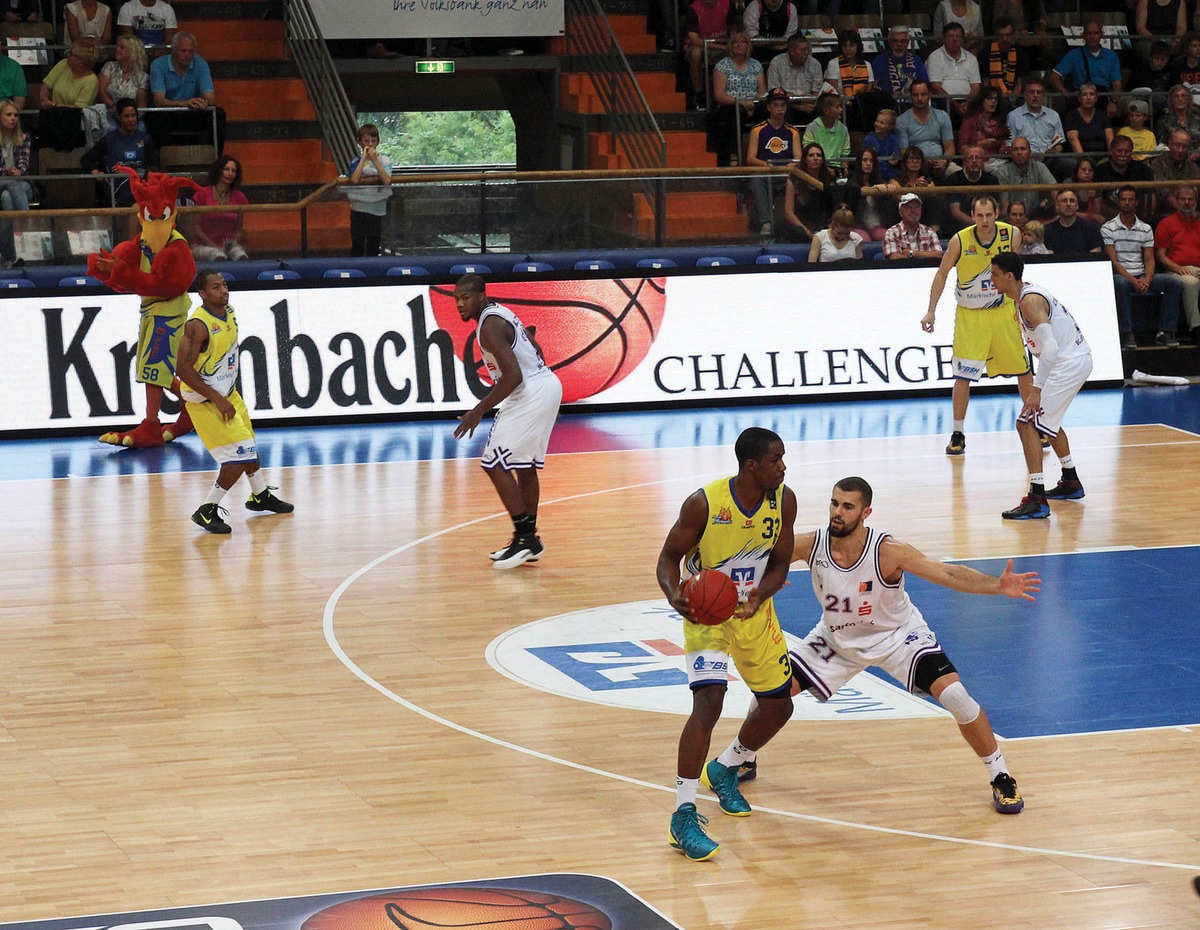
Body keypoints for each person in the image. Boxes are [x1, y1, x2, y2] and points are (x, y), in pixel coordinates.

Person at [786, 476, 1036, 810]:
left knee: (956, 697)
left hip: (898, 636)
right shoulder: (810, 544)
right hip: (837, 639)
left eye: (848, 507)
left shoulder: (888, 551)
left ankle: (1001, 777)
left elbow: (947, 574)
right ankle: (740, 758)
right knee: (772, 690)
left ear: (866, 512)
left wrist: (996, 585)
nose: (838, 512)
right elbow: (762, 558)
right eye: (834, 504)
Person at [657, 427, 797, 861]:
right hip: (707, 616)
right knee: (709, 704)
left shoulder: (784, 500)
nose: (783, 466)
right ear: (750, 465)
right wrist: (675, 596)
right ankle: (683, 814)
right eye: (776, 459)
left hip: (754, 613)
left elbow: (779, 561)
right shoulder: (704, 503)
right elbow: (667, 559)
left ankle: (725, 767)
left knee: (779, 705)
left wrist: (762, 594)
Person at [452, 273, 563, 569]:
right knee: (524, 466)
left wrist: (479, 410)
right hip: (543, 385)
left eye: (466, 298)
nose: (460, 304)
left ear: (481, 297)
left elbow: (513, 377)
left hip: (531, 391)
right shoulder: (499, 312)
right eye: (457, 299)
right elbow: (535, 346)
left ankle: (525, 537)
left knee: (494, 463)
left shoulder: (489, 327)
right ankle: (528, 539)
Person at [177, 270, 294, 535]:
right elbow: (182, 370)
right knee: (238, 457)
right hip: (206, 401)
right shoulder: (198, 325)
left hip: (228, 393)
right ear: (203, 294)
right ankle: (207, 509)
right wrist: (217, 398)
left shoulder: (228, 311)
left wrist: (225, 392)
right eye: (216, 287)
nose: (224, 290)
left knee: (249, 446)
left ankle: (260, 495)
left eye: (225, 285)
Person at [923, 193, 1031, 456]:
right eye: (979, 215)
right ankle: (958, 433)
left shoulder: (1012, 235)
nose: (984, 220)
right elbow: (942, 274)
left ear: (997, 214)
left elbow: (1016, 276)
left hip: (1004, 312)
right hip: (971, 316)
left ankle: (1034, 425)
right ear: (972, 216)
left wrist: (1023, 308)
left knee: (1023, 371)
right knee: (963, 378)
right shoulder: (961, 240)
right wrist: (931, 311)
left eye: (989, 215)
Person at [990, 252, 1093, 520]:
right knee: (1049, 421)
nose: (991, 279)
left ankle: (1037, 498)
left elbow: (1051, 348)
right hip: (1072, 362)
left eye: (994, 274)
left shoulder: (1030, 301)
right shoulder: (1022, 297)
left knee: (1026, 423)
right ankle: (1070, 481)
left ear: (1009, 276)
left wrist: (1036, 389)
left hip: (1067, 364)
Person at [1103, 185, 1184, 348]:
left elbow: (1149, 260)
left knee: (1174, 283)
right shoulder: (1107, 228)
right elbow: (1114, 262)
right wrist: (1134, 281)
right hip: (1122, 275)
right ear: (1118, 202)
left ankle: (1166, 332)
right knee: (1120, 283)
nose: (1127, 203)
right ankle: (1128, 333)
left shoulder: (1146, 228)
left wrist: (1147, 279)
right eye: (1123, 200)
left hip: (1141, 274)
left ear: (1136, 202)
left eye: (1130, 199)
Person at [148, 32, 227, 154]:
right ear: (174, 50)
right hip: (169, 112)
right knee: (155, 115)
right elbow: (159, 100)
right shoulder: (158, 65)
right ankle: (160, 161)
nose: (187, 55)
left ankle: (215, 159)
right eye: (183, 51)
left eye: (191, 52)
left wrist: (203, 102)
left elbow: (210, 98)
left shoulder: (201, 64)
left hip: (193, 112)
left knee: (218, 114)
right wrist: (183, 103)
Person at [745, 86, 800, 235]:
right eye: (776, 105)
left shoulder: (793, 131)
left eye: (782, 105)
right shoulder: (757, 130)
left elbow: (798, 157)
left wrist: (789, 167)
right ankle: (766, 223)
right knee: (756, 179)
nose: (780, 109)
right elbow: (750, 158)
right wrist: (767, 165)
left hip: (786, 172)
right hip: (766, 172)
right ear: (769, 107)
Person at [81, 97, 155, 206]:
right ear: (119, 117)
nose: (131, 119)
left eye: (133, 116)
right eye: (126, 116)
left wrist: (136, 175)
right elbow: (86, 159)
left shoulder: (145, 139)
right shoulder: (109, 139)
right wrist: (95, 171)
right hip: (117, 185)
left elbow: (153, 166)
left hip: (140, 182)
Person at [710, 29, 765, 166]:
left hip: (753, 104)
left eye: (743, 42)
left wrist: (753, 104)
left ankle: (768, 152)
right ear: (730, 46)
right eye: (736, 42)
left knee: (773, 109)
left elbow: (763, 92)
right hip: (729, 105)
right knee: (738, 111)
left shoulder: (756, 65)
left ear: (749, 46)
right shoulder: (723, 65)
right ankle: (734, 153)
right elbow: (719, 95)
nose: (739, 45)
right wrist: (742, 103)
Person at [1154, 186, 1200, 341]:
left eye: (1190, 199)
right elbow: (1161, 256)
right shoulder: (1166, 224)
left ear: (1196, 201)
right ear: (1177, 200)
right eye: (1183, 199)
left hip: (1198, 268)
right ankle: (1196, 328)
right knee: (1191, 282)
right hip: (1175, 270)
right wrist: (1178, 268)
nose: (1186, 202)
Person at [1049, 19, 1125, 108]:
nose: (1092, 36)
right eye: (1089, 33)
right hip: (1081, 101)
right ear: (1083, 36)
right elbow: (1054, 77)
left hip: (1103, 101)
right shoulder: (1074, 55)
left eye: (1096, 33)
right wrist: (1067, 94)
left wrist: (1113, 101)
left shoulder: (1111, 56)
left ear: (1101, 35)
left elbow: (1117, 84)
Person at [345, 123, 392, 257]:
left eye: (373, 141)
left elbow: (387, 180)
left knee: (373, 244)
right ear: (359, 142)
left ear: (378, 142)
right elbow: (354, 179)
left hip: (376, 209)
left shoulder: (384, 160)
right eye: (366, 141)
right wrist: (364, 158)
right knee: (358, 244)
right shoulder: (355, 161)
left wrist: (375, 161)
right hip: (358, 209)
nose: (370, 144)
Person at [190, 155, 248, 262]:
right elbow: (196, 228)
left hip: (229, 246)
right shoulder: (202, 193)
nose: (230, 173)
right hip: (203, 245)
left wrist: (228, 246)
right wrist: (215, 247)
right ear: (218, 171)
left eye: (233, 171)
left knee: (241, 255)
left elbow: (239, 229)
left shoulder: (240, 197)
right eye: (226, 169)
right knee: (218, 256)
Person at [927, 23, 982, 124]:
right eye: (950, 36)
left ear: (962, 39)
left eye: (958, 36)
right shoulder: (935, 57)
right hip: (944, 100)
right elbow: (935, 85)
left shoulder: (971, 58)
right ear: (944, 38)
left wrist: (968, 103)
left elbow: (976, 86)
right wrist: (954, 104)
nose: (954, 40)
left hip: (968, 101)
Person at [682, 0, 732, 110]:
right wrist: (722, 47)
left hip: (724, 45)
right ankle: (699, 95)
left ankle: (732, 94)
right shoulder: (693, 9)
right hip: (702, 47)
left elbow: (734, 29)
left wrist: (731, 43)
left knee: (738, 50)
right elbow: (694, 40)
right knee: (696, 53)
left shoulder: (727, 4)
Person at [0, 99, 31, 268]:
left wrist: (17, 171)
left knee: (7, 197)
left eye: (15, 115)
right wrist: (7, 172)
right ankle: (26, 221)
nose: (13, 118)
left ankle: (9, 258)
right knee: (8, 188)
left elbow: (24, 165)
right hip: (2, 182)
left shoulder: (24, 138)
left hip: (21, 185)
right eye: (8, 115)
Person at [1094, 135, 1155, 221]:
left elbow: (1150, 198)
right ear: (1111, 151)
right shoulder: (1100, 171)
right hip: (1108, 221)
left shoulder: (1143, 169)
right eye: (1119, 151)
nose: (1123, 155)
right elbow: (1097, 203)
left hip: (1139, 220)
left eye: (1127, 151)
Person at [782, 142, 835, 241]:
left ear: (823, 160)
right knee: (797, 232)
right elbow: (788, 213)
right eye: (811, 155)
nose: (815, 158)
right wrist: (807, 232)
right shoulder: (794, 178)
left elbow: (833, 209)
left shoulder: (830, 178)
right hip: (801, 227)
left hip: (823, 227)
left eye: (819, 155)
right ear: (805, 160)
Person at [940, 143, 998, 233]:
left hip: (986, 223)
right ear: (964, 161)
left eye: (978, 157)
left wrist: (983, 223)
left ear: (983, 160)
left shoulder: (992, 180)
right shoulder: (954, 179)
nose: (974, 161)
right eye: (970, 158)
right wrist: (977, 224)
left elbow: (995, 208)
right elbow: (955, 212)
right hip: (961, 226)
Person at [766, 34, 822, 125]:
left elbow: (816, 94)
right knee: (782, 109)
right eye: (802, 50)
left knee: (823, 108)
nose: (806, 53)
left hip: (809, 105)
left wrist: (793, 97)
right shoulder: (776, 63)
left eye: (807, 49)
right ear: (791, 51)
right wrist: (799, 106)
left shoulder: (815, 64)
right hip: (787, 106)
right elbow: (775, 94)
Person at [1004, 78, 1064, 162]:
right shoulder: (1013, 116)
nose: (1035, 95)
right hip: (1025, 160)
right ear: (1025, 95)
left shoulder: (1053, 115)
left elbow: (1059, 144)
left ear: (1043, 96)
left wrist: (1056, 150)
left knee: (1069, 163)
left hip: (1049, 159)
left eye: (1039, 92)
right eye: (1032, 92)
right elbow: (1010, 145)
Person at [994, 136, 1055, 219]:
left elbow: (1055, 190)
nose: (1019, 152)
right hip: (1012, 219)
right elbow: (1005, 207)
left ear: (1029, 153)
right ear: (1011, 154)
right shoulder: (1003, 172)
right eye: (1016, 149)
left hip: (1035, 218)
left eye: (1023, 149)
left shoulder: (1039, 167)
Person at [896, 80, 955, 163]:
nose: (919, 98)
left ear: (930, 95)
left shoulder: (942, 116)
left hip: (941, 162)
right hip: (915, 165)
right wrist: (922, 164)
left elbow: (949, 146)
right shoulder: (902, 120)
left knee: (956, 172)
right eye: (915, 95)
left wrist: (944, 162)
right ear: (910, 96)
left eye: (923, 94)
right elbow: (903, 152)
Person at [99, 35, 150, 128]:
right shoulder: (109, 67)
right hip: (109, 112)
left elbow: (142, 102)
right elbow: (101, 93)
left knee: (141, 127)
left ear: (133, 52)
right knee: (112, 128)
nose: (117, 49)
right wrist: (115, 109)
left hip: (130, 116)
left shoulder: (142, 77)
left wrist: (135, 116)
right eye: (117, 46)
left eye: (121, 47)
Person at [1151, 128, 1200, 220]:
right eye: (1177, 145)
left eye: (1184, 146)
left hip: (1192, 215)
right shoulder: (1158, 163)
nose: (1180, 150)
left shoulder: (1193, 167)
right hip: (1166, 215)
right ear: (1169, 144)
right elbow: (1163, 192)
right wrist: (1184, 211)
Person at [872, 24, 928, 104]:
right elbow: (874, 88)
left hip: (914, 103)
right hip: (888, 104)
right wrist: (889, 96)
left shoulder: (916, 60)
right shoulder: (879, 61)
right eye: (895, 41)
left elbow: (924, 83)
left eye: (903, 41)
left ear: (908, 43)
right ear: (889, 42)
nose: (899, 45)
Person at [851, 147, 898, 239]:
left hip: (876, 225)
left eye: (871, 161)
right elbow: (859, 190)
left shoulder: (880, 181)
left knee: (889, 237)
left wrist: (891, 188)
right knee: (864, 239)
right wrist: (875, 189)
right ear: (859, 162)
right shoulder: (852, 182)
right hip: (857, 225)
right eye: (865, 160)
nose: (868, 163)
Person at [41, 38, 100, 109]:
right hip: (52, 112)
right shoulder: (63, 63)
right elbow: (46, 85)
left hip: (75, 117)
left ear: (81, 61)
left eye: (72, 54)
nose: (68, 55)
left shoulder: (91, 81)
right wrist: (44, 99)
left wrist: (53, 105)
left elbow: (78, 108)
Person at [978, 16, 1029, 99]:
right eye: (1001, 35)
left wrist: (1012, 99)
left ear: (1013, 35)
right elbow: (985, 83)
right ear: (995, 36)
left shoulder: (1021, 53)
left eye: (1008, 35)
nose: (1004, 39)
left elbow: (1020, 82)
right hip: (992, 96)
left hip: (1015, 95)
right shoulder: (985, 53)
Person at [1042, 188, 1103, 255]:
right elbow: (1048, 260)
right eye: (1064, 201)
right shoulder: (1047, 231)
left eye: (1072, 201)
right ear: (1057, 206)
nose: (1068, 204)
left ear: (1077, 206)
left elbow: (1095, 259)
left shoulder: (1092, 228)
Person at [883, 191, 943, 259]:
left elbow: (938, 255)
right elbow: (894, 258)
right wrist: (925, 255)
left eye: (917, 207)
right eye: (909, 207)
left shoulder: (930, 232)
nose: (913, 210)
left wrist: (912, 253)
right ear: (901, 212)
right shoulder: (892, 233)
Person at [1064, 82, 1114, 158]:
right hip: (1079, 158)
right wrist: (1084, 160)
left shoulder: (1102, 114)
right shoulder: (1072, 115)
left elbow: (1110, 139)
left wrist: (1112, 157)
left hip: (1102, 157)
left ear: (1096, 98)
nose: (1088, 97)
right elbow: (1073, 139)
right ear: (1079, 98)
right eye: (1084, 95)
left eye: (1092, 94)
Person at [822, 29, 874, 101]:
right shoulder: (833, 64)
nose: (848, 49)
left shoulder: (867, 65)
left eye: (851, 45)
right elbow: (833, 92)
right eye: (844, 45)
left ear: (858, 47)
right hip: (840, 103)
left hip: (862, 103)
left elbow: (869, 91)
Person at [956, 85, 1007, 159]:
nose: (993, 101)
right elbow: (961, 149)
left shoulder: (1000, 121)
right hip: (975, 160)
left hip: (998, 160)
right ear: (981, 101)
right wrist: (980, 145)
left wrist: (1004, 150)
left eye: (995, 99)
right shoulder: (970, 120)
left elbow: (1004, 143)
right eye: (989, 98)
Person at [802, 91, 850, 168]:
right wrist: (824, 167)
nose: (841, 109)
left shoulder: (843, 129)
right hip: (817, 167)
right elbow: (808, 149)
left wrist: (844, 165)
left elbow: (845, 152)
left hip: (837, 168)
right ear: (826, 111)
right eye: (837, 107)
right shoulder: (812, 127)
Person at [1157, 84, 1200, 148]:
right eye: (1176, 96)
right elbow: (1162, 146)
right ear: (1171, 100)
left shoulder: (1198, 119)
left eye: (1183, 96)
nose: (1180, 99)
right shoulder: (1164, 121)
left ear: (1188, 99)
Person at [862, 108, 901, 180]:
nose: (877, 124)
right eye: (877, 121)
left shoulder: (893, 140)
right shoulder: (868, 139)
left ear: (890, 127)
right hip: (872, 170)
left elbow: (895, 160)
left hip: (888, 171)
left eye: (882, 123)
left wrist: (893, 160)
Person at [1071, 156, 1105, 223]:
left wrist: (1093, 198)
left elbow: (1097, 213)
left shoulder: (1097, 186)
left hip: (1090, 222)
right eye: (1083, 169)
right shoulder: (1069, 183)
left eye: (1090, 170)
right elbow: (1068, 211)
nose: (1087, 173)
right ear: (1077, 170)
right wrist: (1087, 216)